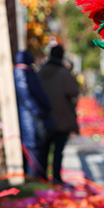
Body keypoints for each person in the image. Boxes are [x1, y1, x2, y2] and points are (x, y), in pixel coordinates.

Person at [37, 45, 80, 185]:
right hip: (62, 117)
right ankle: (56, 177)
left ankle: (41, 176)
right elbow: (73, 91)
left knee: (44, 149)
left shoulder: (41, 71)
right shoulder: (63, 72)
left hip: (45, 116)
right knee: (58, 150)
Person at [13, 50, 51, 178]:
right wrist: (38, 111)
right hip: (29, 117)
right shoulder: (21, 73)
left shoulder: (27, 72)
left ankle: (36, 175)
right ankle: (33, 175)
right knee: (32, 146)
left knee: (36, 145)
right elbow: (27, 96)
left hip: (31, 115)